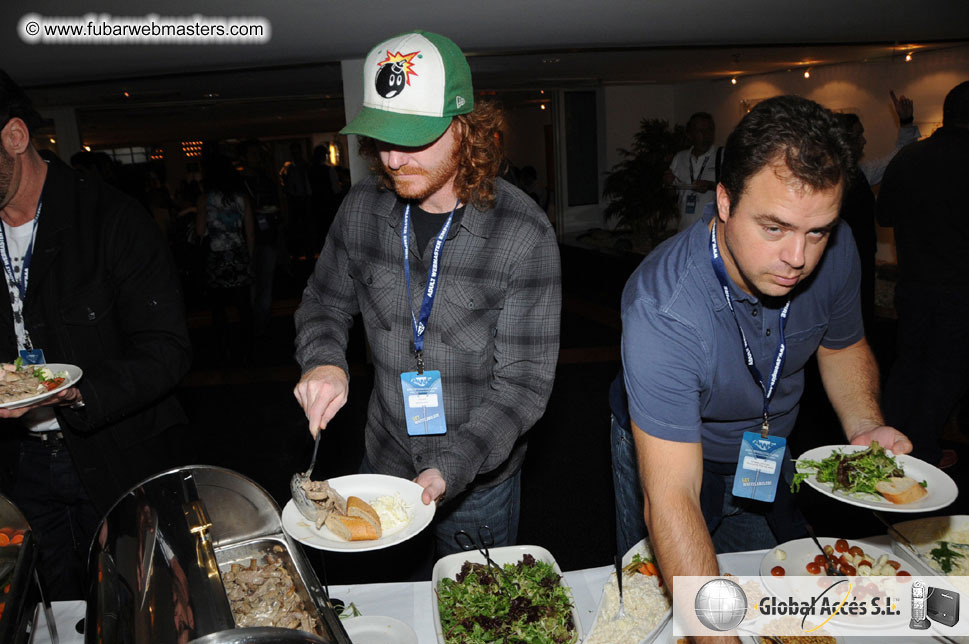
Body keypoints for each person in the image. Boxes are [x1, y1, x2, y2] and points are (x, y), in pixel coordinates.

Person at [622, 96, 912, 609]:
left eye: (817, 231)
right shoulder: (663, 306)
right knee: (657, 604)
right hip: (674, 451)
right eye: (774, 227)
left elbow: (842, 345)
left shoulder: (838, 250)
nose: (797, 259)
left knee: (768, 589)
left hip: (764, 450)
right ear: (725, 202)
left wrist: (864, 426)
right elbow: (671, 496)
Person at [292, 31, 560, 568]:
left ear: (466, 128)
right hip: (383, 459)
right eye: (382, 138)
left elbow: (524, 383)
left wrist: (452, 466)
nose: (391, 158)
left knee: (479, 612)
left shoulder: (523, 234)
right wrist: (324, 360)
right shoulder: (362, 209)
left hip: (476, 480)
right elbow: (323, 302)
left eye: (413, 138)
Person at [0, 70, 192, 600]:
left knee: (128, 604)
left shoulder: (111, 217)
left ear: (15, 137)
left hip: (111, 455)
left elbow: (167, 350)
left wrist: (81, 391)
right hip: (19, 465)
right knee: (41, 608)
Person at [876, 80, 969, 470]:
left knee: (908, 363)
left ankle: (890, 441)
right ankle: (925, 452)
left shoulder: (910, 158)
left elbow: (884, 217)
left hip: (913, 283)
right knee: (945, 370)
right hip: (960, 288)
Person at [836, 91, 920, 333]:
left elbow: (897, 158)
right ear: (844, 141)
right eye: (858, 135)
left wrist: (906, 123)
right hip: (841, 268)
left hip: (863, 260)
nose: (864, 141)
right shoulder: (827, 179)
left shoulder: (861, 172)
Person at [196, 152, 255, 364]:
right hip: (238, 255)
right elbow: (249, 232)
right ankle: (248, 349)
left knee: (218, 309)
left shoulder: (205, 199)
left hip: (216, 258)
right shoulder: (242, 198)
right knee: (243, 307)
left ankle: (224, 349)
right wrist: (249, 259)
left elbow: (200, 230)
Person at [665, 112, 722, 232]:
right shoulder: (680, 158)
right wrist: (668, 184)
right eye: (701, 131)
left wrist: (710, 186)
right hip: (684, 230)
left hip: (712, 232)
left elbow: (735, 190)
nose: (706, 135)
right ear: (690, 134)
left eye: (710, 130)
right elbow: (672, 195)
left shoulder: (722, 156)